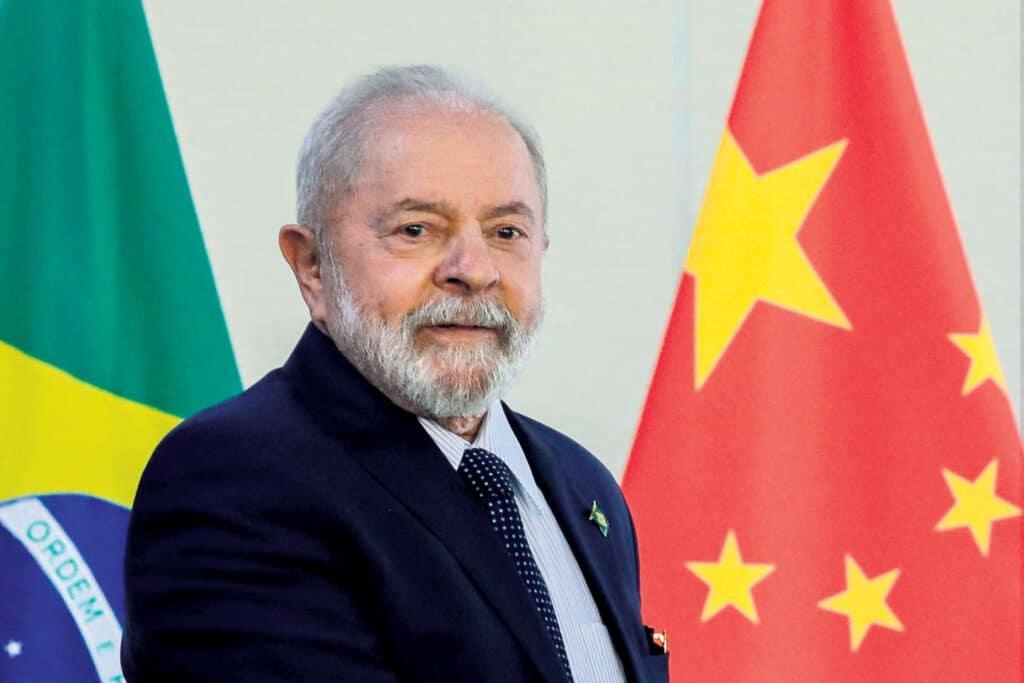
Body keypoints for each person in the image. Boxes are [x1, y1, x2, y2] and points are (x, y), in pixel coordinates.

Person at [121, 65, 668, 683]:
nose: (474, 269)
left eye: (506, 231)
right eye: (417, 229)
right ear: (312, 266)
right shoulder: (233, 479)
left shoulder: (582, 485)